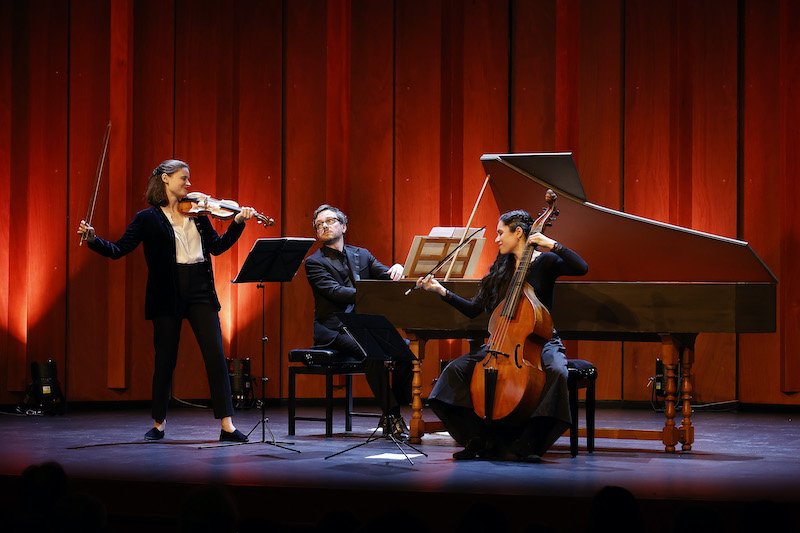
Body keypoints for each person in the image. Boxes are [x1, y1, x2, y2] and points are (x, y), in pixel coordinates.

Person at [77, 159, 255, 442]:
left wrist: (237, 223)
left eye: (188, 179)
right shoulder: (146, 218)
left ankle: (227, 425)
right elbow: (119, 249)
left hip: (200, 289)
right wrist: (94, 239)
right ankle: (158, 424)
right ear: (165, 179)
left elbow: (218, 247)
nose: (188, 184)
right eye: (183, 178)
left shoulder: (198, 213)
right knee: (165, 360)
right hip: (166, 293)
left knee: (215, 357)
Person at [415, 209, 588, 461]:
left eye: (500, 233)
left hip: (541, 341)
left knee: (558, 372)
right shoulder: (501, 269)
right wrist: (441, 290)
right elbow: (475, 309)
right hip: (500, 343)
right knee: (455, 371)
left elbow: (581, 267)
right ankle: (478, 438)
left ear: (518, 233)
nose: (496, 239)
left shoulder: (545, 262)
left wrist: (552, 244)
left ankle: (529, 442)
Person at [304, 204, 413, 439]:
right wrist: (372, 291)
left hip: (361, 325)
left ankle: (391, 410)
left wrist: (398, 268)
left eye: (330, 221)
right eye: (319, 224)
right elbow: (335, 292)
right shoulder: (314, 262)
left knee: (405, 350)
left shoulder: (361, 254)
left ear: (343, 226)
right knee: (372, 352)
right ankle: (393, 415)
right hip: (333, 329)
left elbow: (386, 276)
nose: (324, 226)